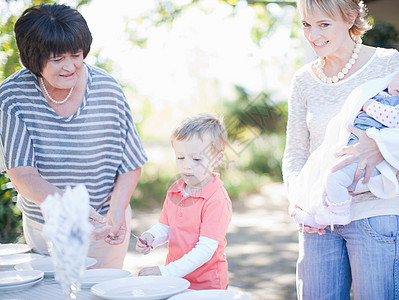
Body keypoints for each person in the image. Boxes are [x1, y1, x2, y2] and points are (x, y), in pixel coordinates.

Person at [282, 0, 399, 299]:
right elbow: (295, 151)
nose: (313, 35)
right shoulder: (303, 80)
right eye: (306, 24)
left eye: (323, 24)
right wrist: (300, 199)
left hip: (376, 215)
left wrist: (379, 148)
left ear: (350, 18)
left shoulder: (388, 62)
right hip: (319, 219)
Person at [0, 3, 147, 268]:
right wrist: (70, 206)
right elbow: (22, 175)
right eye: (57, 59)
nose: (70, 67)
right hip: (48, 229)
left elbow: (131, 162)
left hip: (104, 225)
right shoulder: (12, 96)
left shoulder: (108, 90)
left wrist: (117, 210)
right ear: (33, 59)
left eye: (76, 55)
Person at [295, 63, 399, 227]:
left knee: (333, 178)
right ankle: (315, 215)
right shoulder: (381, 93)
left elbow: (391, 118)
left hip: (366, 159)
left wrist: (369, 105)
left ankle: (339, 215)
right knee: (322, 171)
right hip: (351, 145)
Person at [136, 113, 232, 290]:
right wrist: (152, 236)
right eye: (180, 157)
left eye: (196, 159)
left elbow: (205, 250)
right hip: (176, 282)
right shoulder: (175, 190)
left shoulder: (216, 199)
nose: (186, 165)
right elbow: (165, 227)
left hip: (207, 285)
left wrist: (165, 272)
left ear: (217, 159)